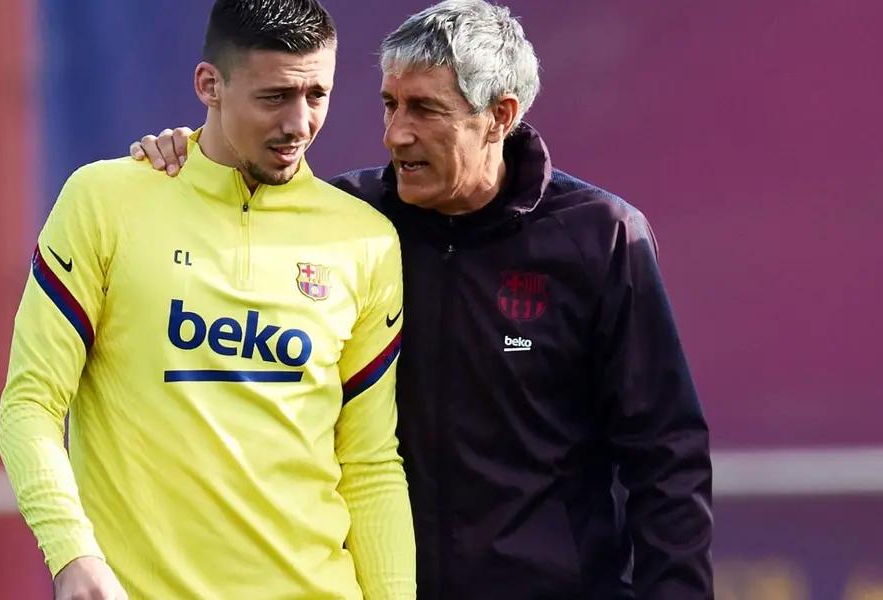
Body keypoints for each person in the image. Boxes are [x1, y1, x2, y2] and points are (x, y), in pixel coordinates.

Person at [130, 1, 713, 597]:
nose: (395, 133)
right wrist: (182, 158)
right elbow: (230, 207)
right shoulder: (346, 223)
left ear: (499, 116)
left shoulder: (599, 236)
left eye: (425, 109)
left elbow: (666, 455)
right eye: (390, 104)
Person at [0, 1, 416, 599]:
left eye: (316, 95)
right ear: (209, 85)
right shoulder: (105, 201)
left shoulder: (366, 240)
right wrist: (72, 554)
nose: (299, 123)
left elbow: (370, 464)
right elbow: (31, 404)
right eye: (274, 97)